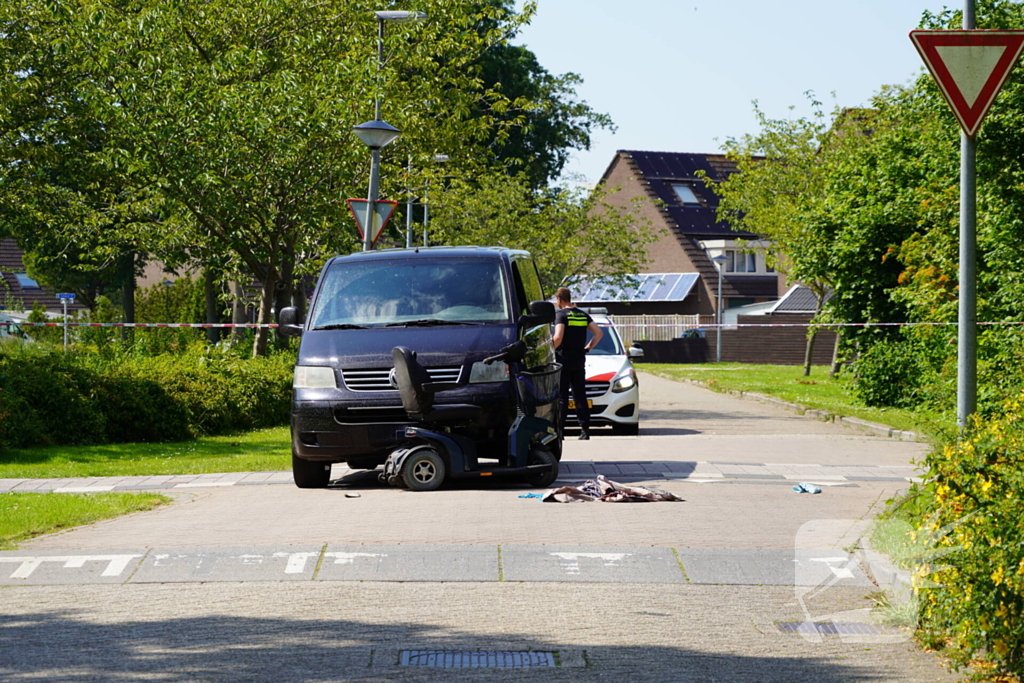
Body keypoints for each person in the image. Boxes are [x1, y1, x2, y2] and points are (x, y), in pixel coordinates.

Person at [552, 286, 603, 440]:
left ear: (560, 299)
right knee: (580, 395)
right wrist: (587, 348)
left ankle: (560, 432)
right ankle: (585, 431)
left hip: (563, 358)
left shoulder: (561, 315)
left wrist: (550, 351)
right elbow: (599, 333)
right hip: (579, 359)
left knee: (562, 397)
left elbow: (558, 337)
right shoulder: (582, 315)